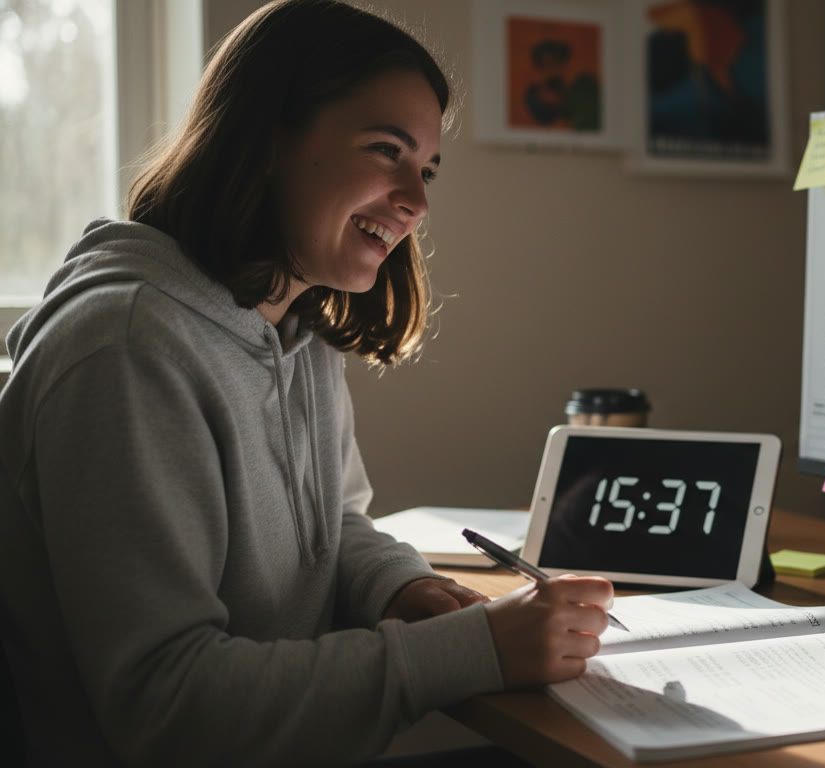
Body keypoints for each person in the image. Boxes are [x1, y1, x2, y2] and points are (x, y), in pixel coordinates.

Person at [0, 1, 614, 765]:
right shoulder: (126, 351)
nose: (417, 202)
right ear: (265, 140)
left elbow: (334, 524)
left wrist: (398, 585)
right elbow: (167, 707)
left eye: (425, 169)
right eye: (386, 150)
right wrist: (474, 649)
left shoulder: (297, 322)